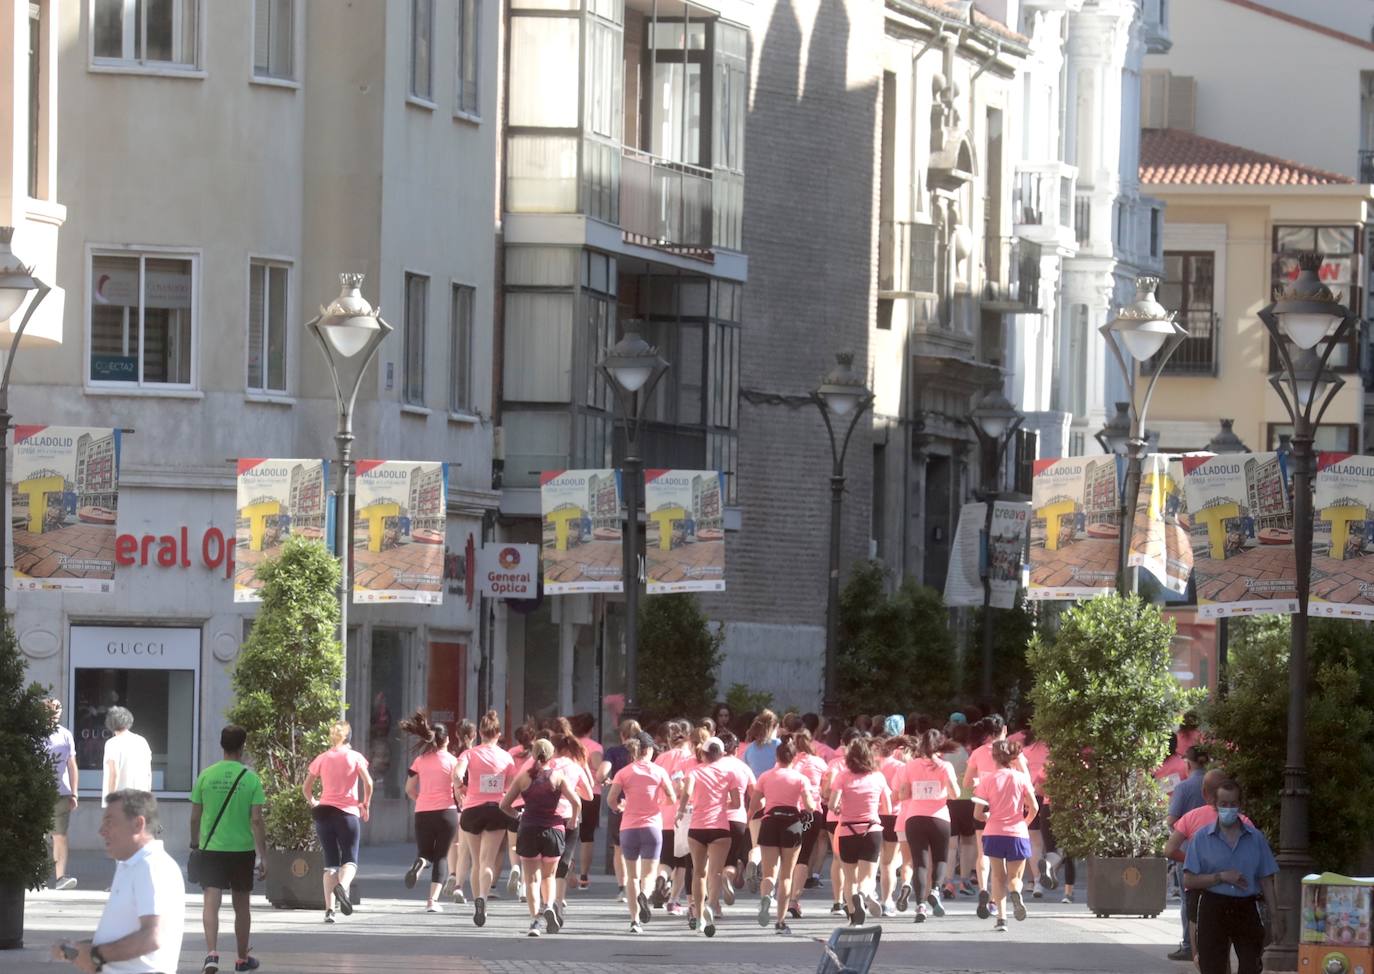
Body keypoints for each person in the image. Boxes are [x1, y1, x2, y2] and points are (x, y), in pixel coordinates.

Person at [51, 790, 184, 974]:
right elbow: (126, 935)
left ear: (138, 824)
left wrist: (96, 955)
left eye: (110, 822)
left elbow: (153, 936)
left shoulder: (152, 866)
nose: (101, 831)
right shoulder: (131, 865)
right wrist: (78, 949)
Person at [190, 726, 267, 974]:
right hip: (242, 850)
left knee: (211, 901)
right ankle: (242, 959)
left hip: (211, 848)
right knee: (241, 905)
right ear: (242, 747)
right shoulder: (251, 779)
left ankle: (212, 954)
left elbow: (195, 816)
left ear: (221, 746)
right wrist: (263, 856)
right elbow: (256, 821)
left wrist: (195, 843)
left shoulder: (206, 775)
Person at [1182, 779, 1278, 974]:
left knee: (1250, 965)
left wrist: (1276, 917)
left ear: (1240, 805)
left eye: (1233, 804)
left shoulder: (1255, 838)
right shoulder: (1201, 839)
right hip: (1213, 906)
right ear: (1215, 806)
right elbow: (1188, 880)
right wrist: (1220, 877)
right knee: (1212, 965)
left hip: (1246, 907)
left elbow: (1266, 880)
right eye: (1223, 804)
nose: (1229, 809)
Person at [500, 739, 582, 937]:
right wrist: (571, 821)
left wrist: (518, 816)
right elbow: (577, 802)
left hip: (529, 828)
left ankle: (535, 920)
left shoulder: (523, 777)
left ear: (533, 754)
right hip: (554, 830)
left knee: (532, 880)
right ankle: (549, 906)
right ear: (551, 754)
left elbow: (504, 805)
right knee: (549, 876)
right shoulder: (557, 776)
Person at [303, 721, 373, 924]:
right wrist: (365, 803)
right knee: (350, 859)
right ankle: (342, 886)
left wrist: (314, 802)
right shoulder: (355, 757)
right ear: (350, 737)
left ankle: (329, 911)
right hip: (347, 814)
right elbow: (368, 782)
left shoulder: (322, 758)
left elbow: (306, 788)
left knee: (330, 863)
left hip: (324, 813)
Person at [749, 735, 817, 935]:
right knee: (786, 875)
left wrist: (752, 815)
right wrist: (808, 809)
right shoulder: (800, 778)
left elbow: (754, 804)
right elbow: (810, 806)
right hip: (791, 824)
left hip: (770, 822)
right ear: (794, 758)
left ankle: (765, 897)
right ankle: (780, 921)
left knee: (769, 873)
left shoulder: (765, 776)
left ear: (776, 757)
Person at [454, 709, 515, 926]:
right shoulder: (506, 757)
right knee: (488, 860)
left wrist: (460, 786)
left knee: (474, 859)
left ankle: (475, 899)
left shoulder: (469, 754)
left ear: (480, 732)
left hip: (472, 810)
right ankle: (484, 900)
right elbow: (511, 785)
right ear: (498, 733)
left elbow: (457, 773)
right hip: (496, 809)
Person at [607, 731, 672, 933]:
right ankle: (645, 893)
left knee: (632, 876)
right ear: (650, 750)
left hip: (629, 827)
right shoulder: (659, 771)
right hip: (652, 827)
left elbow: (611, 799)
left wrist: (619, 808)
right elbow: (672, 797)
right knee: (649, 873)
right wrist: (660, 802)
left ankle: (634, 921)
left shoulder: (624, 772)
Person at [973, 739, 1038, 933]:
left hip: (993, 832)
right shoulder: (1021, 778)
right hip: (1017, 832)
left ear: (993, 757)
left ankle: (1001, 918)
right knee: (1014, 877)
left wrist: (988, 816)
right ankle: (1016, 892)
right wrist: (1024, 823)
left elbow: (977, 813)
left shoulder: (987, 780)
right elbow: (1034, 807)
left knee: (997, 877)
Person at [896, 729, 960, 923]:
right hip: (939, 817)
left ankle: (920, 905)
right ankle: (935, 889)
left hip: (914, 817)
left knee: (919, 863)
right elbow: (955, 793)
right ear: (939, 745)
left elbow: (902, 795)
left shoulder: (910, 766)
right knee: (941, 859)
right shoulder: (945, 766)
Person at [399, 711, 460, 913]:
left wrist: (421, 799)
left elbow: (408, 789)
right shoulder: (453, 761)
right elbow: (459, 788)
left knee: (425, 852)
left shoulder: (420, 760)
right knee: (441, 856)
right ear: (447, 740)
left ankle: (421, 862)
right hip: (447, 812)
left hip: (423, 811)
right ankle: (432, 901)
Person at [681, 735, 742, 937]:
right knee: (715, 873)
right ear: (721, 753)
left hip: (697, 827)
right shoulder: (730, 772)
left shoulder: (694, 772)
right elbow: (737, 804)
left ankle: (698, 916)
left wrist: (682, 810)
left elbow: (686, 793)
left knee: (699, 873)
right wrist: (721, 805)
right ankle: (711, 906)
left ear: (704, 754)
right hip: (720, 827)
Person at [829, 736, 892, 925]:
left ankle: (853, 916)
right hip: (871, 830)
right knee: (868, 875)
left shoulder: (842, 776)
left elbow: (832, 805)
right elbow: (887, 808)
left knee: (849, 878)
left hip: (847, 830)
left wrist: (841, 809)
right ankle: (865, 893)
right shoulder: (878, 777)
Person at [1167, 744, 1212, 961]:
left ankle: (1189, 944)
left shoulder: (1184, 788)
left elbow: (1172, 820)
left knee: (1188, 900)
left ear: (1187, 763)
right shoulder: (1215, 785)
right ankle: (1209, 942)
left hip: (1186, 852)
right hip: (1216, 851)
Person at [597, 719, 641, 903]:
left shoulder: (613, 752)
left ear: (621, 734)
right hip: (639, 803)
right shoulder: (644, 752)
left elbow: (601, 773)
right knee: (638, 848)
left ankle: (623, 887)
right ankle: (638, 886)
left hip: (619, 802)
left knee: (619, 848)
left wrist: (607, 780)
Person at [715, 729, 757, 902]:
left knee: (714, 862)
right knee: (731, 858)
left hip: (713, 819)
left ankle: (714, 904)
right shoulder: (743, 768)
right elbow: (756, 796)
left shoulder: (711, 767)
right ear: (737, 749)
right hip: (737, 819)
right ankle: (729, 874)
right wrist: (750, 815)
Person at [45, 698, 80, 890]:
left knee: (60, 835)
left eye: (59, 708)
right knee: (37, 836)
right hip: (39, 792)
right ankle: (37, 876)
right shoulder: (34, 734)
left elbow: (72, 765)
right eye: (52, 708)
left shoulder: (66, 734)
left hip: (61, 793)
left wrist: (74, 793)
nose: (56, 712)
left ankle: (60, 878)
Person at [571, 712, 604, 890]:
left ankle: (567, 868)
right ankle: (584, 875)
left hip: (570, 791)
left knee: (569, 832)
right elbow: (599, 770)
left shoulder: (569, 744)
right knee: (587, 835)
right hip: (591, 793)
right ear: (592, 729)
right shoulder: (594, 747)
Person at [101, 706, 153, 807]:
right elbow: (148, 774)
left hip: (121, 801)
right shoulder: (142, 741)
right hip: (141, 799)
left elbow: (114, 774)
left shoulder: (112, 743)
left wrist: (111, 801)